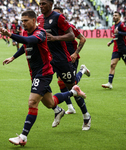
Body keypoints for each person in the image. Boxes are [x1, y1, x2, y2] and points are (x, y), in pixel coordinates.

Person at [0, 10, 86, 146]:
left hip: (44, 72)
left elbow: (29, 40)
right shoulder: (25, 33)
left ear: (34, 20)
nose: (23, 24)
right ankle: (73, 92)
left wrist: (10, 35)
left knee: (32, 102)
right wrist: (13, 57)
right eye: (22, 21)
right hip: (34, 73)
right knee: (50, 103)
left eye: (26, 21)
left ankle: (23, 137)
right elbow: (25, 45)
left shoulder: (40, 33)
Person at [37, 0, 91, 130]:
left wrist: (75, 53)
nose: (41, 6)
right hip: (48, 60)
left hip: (64, 59)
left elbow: (77, 37)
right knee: (40, 85)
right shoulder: (40, 19)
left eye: (44, 3)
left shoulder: (64, 22)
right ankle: (58, 109)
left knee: (72, 86)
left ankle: (86, 115)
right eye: (40, 3)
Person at [53, 7, 90, 114]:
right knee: (61, 82)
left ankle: (82, 70)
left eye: (58, 14)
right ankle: (70, 107)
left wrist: (75, 53)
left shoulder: (69, 27)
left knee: (70, 83)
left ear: (62, 15)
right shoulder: (52, 28)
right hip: (60, 59)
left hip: (71, 58)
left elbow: (83, 38)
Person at [102, 11, 126, 89]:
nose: (114, 16)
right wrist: (111, 41)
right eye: (113, 15)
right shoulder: (113, 26)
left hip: (124, 49)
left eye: (116, 15)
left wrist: (119, 32)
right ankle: (110, 83)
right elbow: (116, 36)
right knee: (112, 65)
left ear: (119, 17)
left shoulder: (121, 25)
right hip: (116, 49)